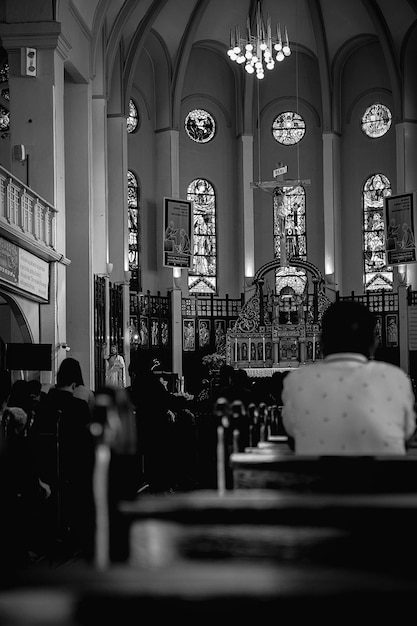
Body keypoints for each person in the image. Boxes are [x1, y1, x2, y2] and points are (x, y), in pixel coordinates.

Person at [281, 300, 417, 455]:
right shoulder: (396, 378)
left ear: (322, 343)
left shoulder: (297, 380)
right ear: (374, 342)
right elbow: (407, 436)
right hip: (384, 478)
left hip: (316, 478)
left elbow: (292, 435)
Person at [33, 359, 95, 559]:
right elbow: (87, 436)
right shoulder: (80, 404)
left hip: (48, 459)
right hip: (75, 460)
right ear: (75, 381)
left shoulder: (45, 401)